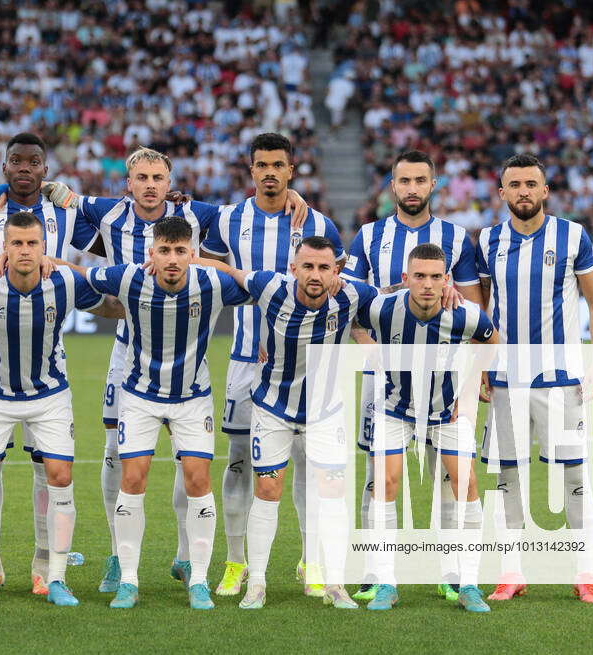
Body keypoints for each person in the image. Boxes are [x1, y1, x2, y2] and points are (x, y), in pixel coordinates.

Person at [0, 146, 310, 594]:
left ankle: (184, 555)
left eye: (159, 177)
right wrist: (0, 191)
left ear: (169, 182)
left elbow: (256, 203)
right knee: (117, 453)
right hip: (129, 351)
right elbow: (45, 191)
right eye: (142, 177)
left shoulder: (199, 213)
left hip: (186, 348)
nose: (151, 184)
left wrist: (292, 197)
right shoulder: (107, 212)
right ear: (128, 183)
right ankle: (118, 556)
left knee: (189, 462)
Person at [63, 216, 251, 610]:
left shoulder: (212, 283)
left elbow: (259, 286)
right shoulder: (129, 277)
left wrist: (215, 265)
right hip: (139, 397)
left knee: (198, 480)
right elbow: (82, 275)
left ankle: (198, 579)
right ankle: (129, 581)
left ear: (192, 255)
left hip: (192, 397)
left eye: (181, 251)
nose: (172, 259)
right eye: (164, 251)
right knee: (133, 478)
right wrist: (48, 261)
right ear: (152, 253)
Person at [0, 132, 99, 596]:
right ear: (4, 167)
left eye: (34, 162)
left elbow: (115, 234)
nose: (25, 168)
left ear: (46, 169)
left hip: (47, 356)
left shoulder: (66, 212)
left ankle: (43, 564)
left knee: (46, 468)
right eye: (16, 161)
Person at [0, 211, 123, 607]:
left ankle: (55, 577)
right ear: (4, 248)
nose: (25, 250)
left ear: (44, 248)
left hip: (49, 396)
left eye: (32, 243)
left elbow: (112, 306)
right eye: (17, 243)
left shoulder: (63, 282)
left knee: (60, 476)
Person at [200, 132, 344, 598]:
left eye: (277, 165)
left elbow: (339, 285)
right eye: (261, 165)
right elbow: (210, 268)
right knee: (241, 462)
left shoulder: (317, 223)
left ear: (291, 170)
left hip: (306, 365)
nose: (269, 173)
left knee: (307, 466)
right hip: (246, 358)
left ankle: (312, 560)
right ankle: (236, 562)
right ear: (250, 169)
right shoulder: (228, 220)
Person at [196, 236, 373, 610]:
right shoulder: (270, 286)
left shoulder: (353, 295)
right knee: (269, 489)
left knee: (331, 492)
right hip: (272, 408)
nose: (315, 274)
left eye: (324, 267)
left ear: (336, 271)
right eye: (307, 266)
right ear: (293, 268)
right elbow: (228, 270)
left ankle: (335, 583)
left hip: (326, 412)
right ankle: (257, 583)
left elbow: (395, 297)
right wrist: (184, 261)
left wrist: (447, 293)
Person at [341, 149, 483, 603]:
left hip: (444, 377)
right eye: (404, 180)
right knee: (378, 474)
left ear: (433, 184)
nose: (412, 188)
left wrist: (468, 378)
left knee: (452, 477)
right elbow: (355, 304)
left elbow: (471, 308)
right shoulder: (368, 235)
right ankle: (375, 570)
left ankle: (455, 572)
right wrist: (376, 356)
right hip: (385, 376)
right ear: (393, 185)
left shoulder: (455, 238)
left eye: (421, 180)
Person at [476, 154, 593, 604]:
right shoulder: (488, 239)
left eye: (531, 183)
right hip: (506, 381)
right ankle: (512, 572)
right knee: (508, 479)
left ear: (546, 190)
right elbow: (479, 314)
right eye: (514, 184)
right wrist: (479, 368)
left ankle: (585, 572)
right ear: (502, 193)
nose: (523, 192)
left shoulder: (572, 236)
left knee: (574, 475)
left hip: (561, 380)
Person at [356, 243, 498, 613]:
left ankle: (467, 583)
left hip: (446, 412)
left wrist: (474, 379)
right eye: (419, 276)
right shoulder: (382, 309)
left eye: (436, 277)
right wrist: (372, 352)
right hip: (394, 409)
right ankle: (387, 582)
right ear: (405, 279)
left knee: (465, 483)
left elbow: (491, 340)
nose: (428, 284)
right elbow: (356, 321)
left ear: (447, 280)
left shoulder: (465, 314)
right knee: (385, 482)